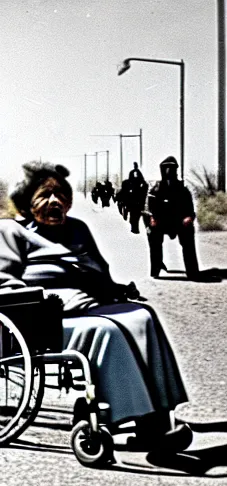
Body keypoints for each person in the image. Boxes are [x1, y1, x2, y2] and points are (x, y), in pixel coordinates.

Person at [0, 160, 190, 449]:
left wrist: (116, 289)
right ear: (26, 202)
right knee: (107, 331)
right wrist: (44, 301)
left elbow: (100, 275)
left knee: (142, 318)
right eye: (45, 196)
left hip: (87, 306)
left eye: (61, 195)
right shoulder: (10, 233)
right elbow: (4, 285)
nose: (55, 202)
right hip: (39, 319)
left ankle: (156, 420)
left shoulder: (77, 229)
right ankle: (116, 413)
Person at [146, 156, 200, 279]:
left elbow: (190, 211)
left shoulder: (183, 190)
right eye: (166, 168)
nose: (169, 171)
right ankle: (155, 268)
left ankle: (192, 272)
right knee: (152, 234)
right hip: (161, 222)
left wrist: (189, 218)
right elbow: (149, 209)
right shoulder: (155, 189)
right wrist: (152, 218)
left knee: (188, 236)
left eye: (172, 168)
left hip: (180, 222)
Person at [123, 164, 148, 234]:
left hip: (136, 203)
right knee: (134, 218)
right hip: (134, 204)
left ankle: (135, 229)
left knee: (134, 218)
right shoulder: (133, 182)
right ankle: (134, 229)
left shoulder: (137, 183)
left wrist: (136, 170)